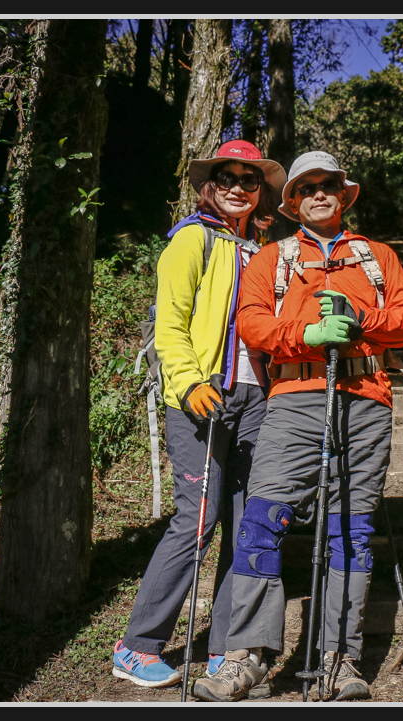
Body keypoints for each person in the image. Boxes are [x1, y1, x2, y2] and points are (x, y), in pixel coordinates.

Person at [191, 151, 403, 702]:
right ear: (292, 200)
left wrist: (364, 320)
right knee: (260, 521)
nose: (320, 194)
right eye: (307, 187)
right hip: (293, 399)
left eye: (330, 185)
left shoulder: (377, 257)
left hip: (365, 399)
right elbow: (251, 323)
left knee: (350, 530)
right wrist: (307, 334)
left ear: (343, 195)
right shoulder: (271, 258)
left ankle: (338, 660)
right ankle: (246, 656)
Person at [112, 140, 286, 688]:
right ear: (208, 185)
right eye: (225, 176)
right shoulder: (191, 240)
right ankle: (138, 646)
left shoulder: (262, 249)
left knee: (243, 521)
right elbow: (171, 323)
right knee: (197, 519)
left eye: (249, 179)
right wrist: (187, 383)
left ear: (260, 192)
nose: (238, 185)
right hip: (202, 396)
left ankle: (226, 647)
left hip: (256, 397)